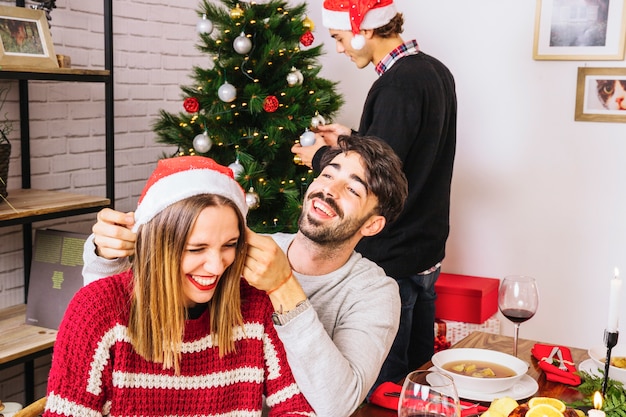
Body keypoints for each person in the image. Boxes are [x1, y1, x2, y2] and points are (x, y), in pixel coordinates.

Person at [82, 134, 408, 417]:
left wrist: (284, 288)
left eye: (352, 190)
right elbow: (108, 323)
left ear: (372, 224)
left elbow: (337, 406)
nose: (329, 190)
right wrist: (105, 254)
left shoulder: (374, 293)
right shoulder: (241, 251)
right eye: (327, 175)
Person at [45, 156, 314, 416]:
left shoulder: (256, 305)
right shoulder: (96, 309)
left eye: (229, 245)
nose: (217, 266)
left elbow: (298, 408)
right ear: (157, 244)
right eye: (196, 249)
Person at [292, 0, 457, 395]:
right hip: (426, 252)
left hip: (394, 258)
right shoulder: (435, 71)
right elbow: (404, 152)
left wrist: (320, 157)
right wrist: (353, 138)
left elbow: (375, 180)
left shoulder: (397, 83)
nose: (339, 49)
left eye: (339, 37)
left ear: (362, 30)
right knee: (420, 381)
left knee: (384, 389)